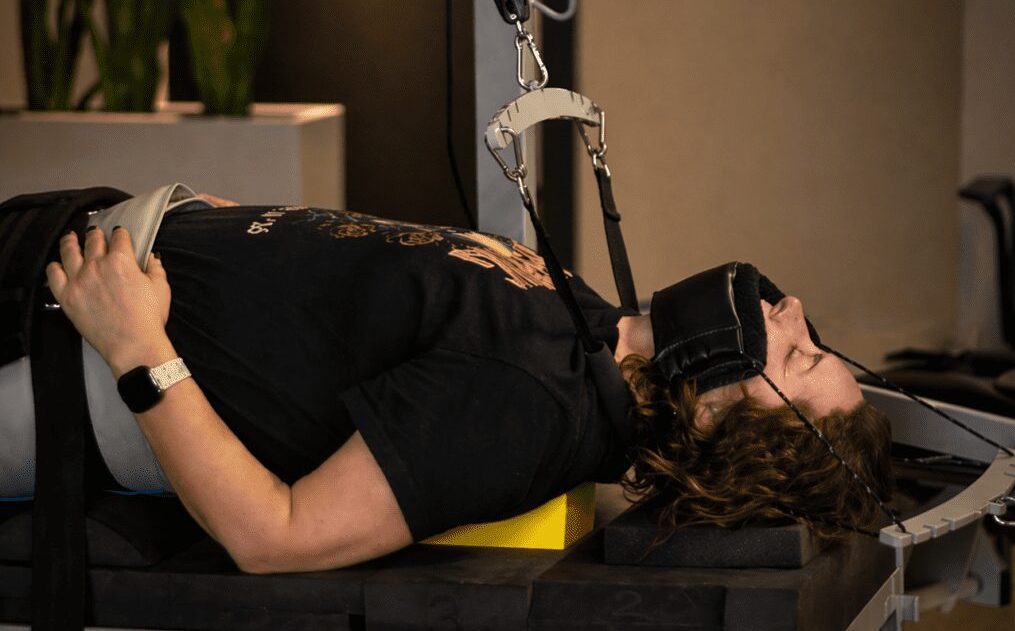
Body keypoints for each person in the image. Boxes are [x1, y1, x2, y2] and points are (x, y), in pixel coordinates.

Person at [43, 195, 893, 575]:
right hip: (86, 250)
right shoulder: (588, 328)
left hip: (59, 354)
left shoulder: (531, 410)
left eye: (799, 357)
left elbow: (278, 537)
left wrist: (135, 347)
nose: (793, 312)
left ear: (714, 416)